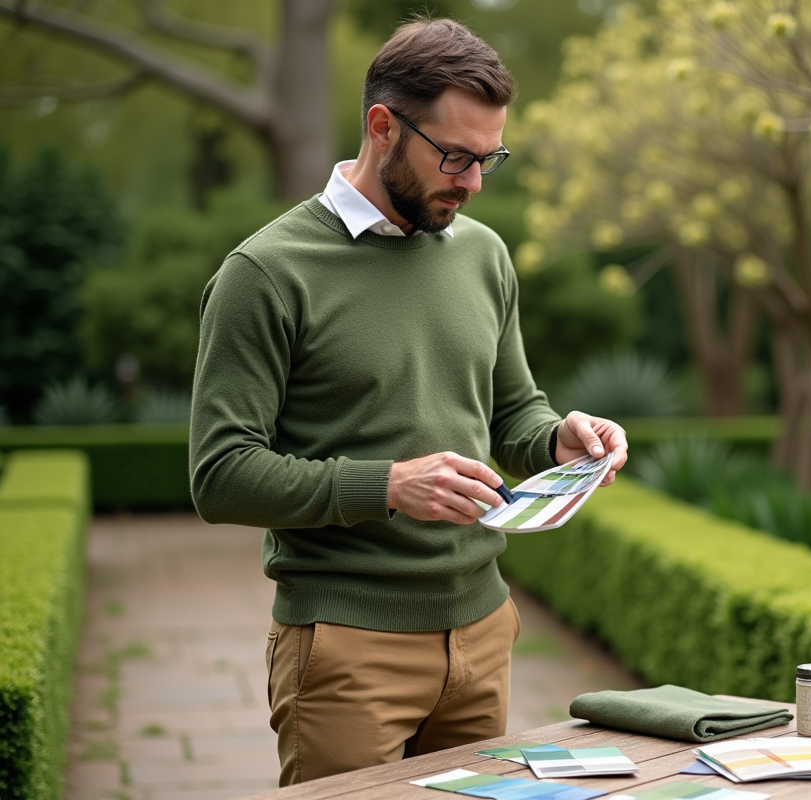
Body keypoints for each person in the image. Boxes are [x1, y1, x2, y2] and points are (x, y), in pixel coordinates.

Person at [188, 17, 628, 786]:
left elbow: (512, 413)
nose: (473, 182)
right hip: (348, 646)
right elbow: (220, 476)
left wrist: (564, 439)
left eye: (489, 159)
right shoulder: (264, 273)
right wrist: (390, 485)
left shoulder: (484, 254)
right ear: (382, 126)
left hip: (484, 629)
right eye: (455, 156)